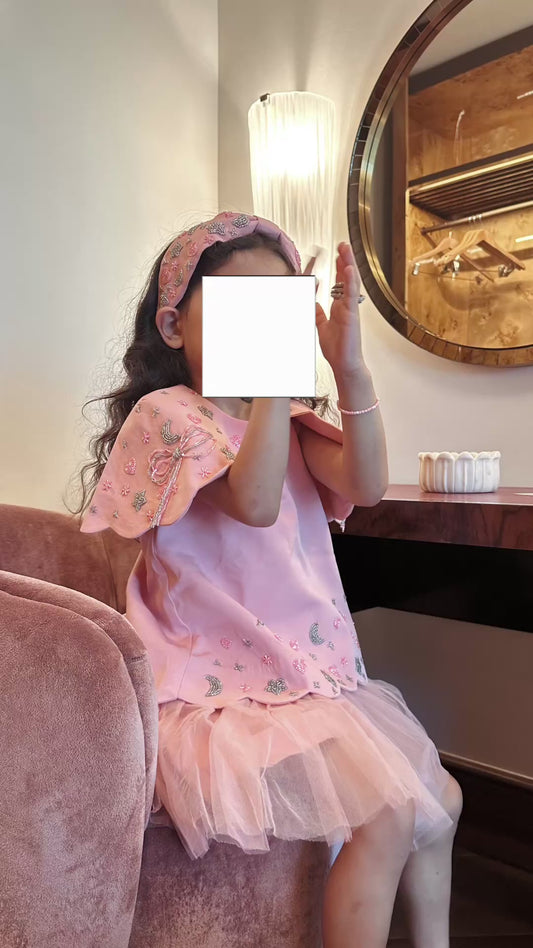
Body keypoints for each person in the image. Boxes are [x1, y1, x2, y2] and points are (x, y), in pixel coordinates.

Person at [74, 210, 462, 947]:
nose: (262, 327)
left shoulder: (286, 423)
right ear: (173, 326)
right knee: (387, 812)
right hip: (218, 693)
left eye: (275, 310)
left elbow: (367, 484)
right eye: (241, 310)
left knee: (440, 803)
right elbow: (253, 502)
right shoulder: (170, 417)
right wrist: (274, 384)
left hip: (306, 679)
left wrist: (349, 369)